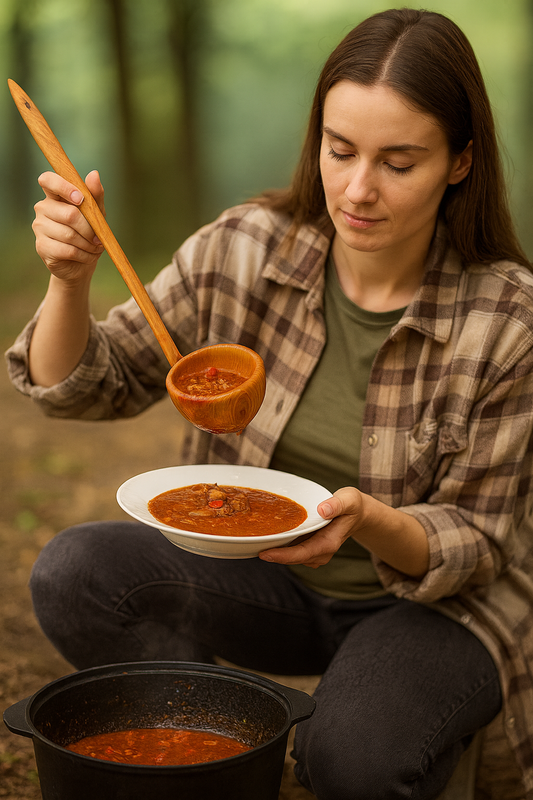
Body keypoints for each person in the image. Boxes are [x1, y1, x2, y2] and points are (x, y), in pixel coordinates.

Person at [6, 7, 533, 799]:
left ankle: (349, 731)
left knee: (350, 760)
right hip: (263, 579)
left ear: (459, 163)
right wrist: (69, 280)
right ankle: (228, 738)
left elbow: (479, 545)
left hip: (431, 609)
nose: (357, 189)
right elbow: (89, 383)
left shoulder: (507, 321)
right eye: (339, 149)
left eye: (399, 162)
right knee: (77, 572)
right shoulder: (245, 247)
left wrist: (371, 522)